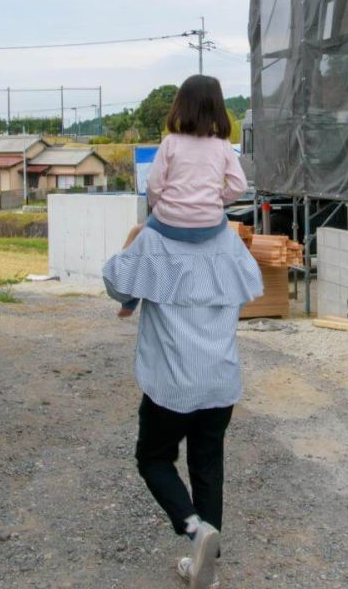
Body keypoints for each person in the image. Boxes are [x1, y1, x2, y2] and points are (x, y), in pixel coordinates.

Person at [102, 75, 262, 589]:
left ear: (178, 108)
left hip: (172, 384)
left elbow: (118, 280)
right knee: (208, 465)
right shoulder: (230, 250)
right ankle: (205, 565)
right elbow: (236, 191)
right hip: (219, 382)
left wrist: (137, 252)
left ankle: (192, 528)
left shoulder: (158, 247)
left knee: (152, 457)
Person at [116, 75, 248, 318]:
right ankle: (231, 302)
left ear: (180, 105)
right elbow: (239, 185)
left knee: (141, 241)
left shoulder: (171, 142)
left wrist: (161, 207)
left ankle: (129, 302)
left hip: (170, 222)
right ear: (218, 109)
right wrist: (217, 199)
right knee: (232, 253)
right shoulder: (222, 144)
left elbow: (154, 185)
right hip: (209, 223)